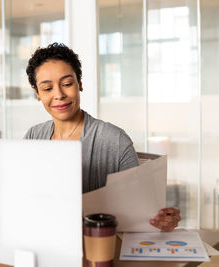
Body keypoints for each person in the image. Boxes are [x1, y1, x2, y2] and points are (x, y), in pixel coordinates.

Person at [24, 42, 180, 232]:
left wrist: (162, 219)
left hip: (101, 247)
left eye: (66, 84)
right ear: (37, 94)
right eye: (47, 88)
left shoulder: (115, 140)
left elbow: (141, 210)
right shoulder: (33, 136)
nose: (58, 95)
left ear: (79, 84)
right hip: (46, 240)